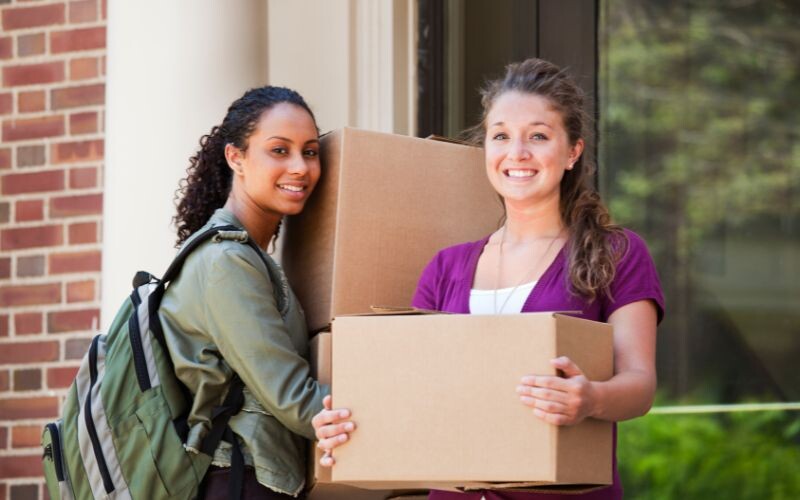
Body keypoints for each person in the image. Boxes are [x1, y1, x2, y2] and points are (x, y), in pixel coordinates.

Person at [313, 58, 664, 500]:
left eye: (538, 136)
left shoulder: (616, 253)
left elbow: (640, 385)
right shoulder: (445, 269)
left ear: (573, 150)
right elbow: (417, 396)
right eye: (501, 136)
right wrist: (348, 425)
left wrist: (589, 399)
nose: (517, 153)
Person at [160, 86, 329, 499]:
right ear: (236, 157)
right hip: (238, 481)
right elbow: (293, 398)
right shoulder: (226, 263)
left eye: (309, 151)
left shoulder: (250, 257)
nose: (300, 167)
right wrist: (402, 403)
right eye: (279, 150)